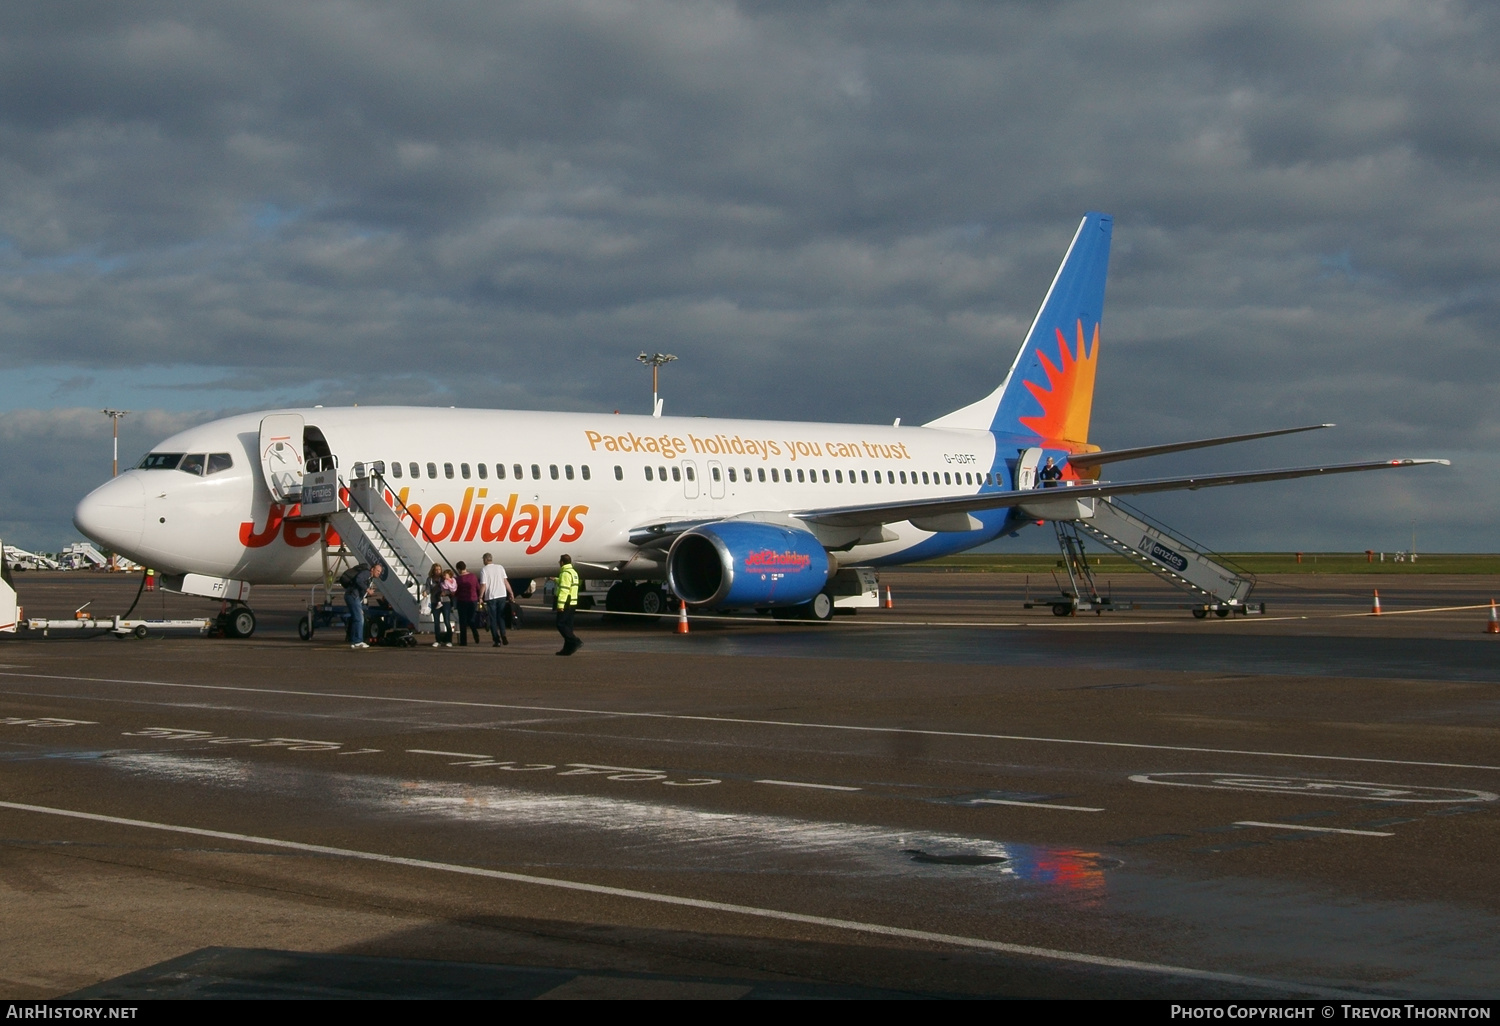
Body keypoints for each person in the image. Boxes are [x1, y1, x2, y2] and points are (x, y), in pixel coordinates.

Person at [344, 562, 384, 649]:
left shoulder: (370, 579)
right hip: (352, 596)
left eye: (380, 572)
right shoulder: (367, 573)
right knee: (359, 619)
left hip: (354, 597)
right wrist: (367, 589)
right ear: (372, 569)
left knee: (356, 618)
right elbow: (358, 579)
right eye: (377, 571)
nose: (378, 573)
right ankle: (358, 641)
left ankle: (354, 641)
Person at [479, 553, 515, 647]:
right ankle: (503, 634)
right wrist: (511, 592)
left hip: (491, 596)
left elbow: (483, 585)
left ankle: (496, 640)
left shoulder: (484, 570)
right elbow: (505, 581)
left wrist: (480, 597)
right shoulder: (500, 567)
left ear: (485, 560)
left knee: (492, 619)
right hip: (502, 595)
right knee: (501, 617)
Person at [554, 553, 581, 656]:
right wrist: (556, 580)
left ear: (562, 562)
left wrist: (560, 605)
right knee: (568, 626)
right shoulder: (573, 572)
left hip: (566, 602)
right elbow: (568, 584)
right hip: (573, 602)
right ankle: (567, 649)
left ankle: (575, 641)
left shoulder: (565, 573)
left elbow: (564, 590)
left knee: (560, 624)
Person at [454, 560, 482, 646]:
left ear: (458, 569)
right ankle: (475, 632)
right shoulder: (473, 576)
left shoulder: (458, 579)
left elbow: (456, 591)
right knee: (471, 619)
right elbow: (478, 587)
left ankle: (463, 641)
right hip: (473, 600)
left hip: (462, 601)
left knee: (463, 621)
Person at [426, 563, 450, 647]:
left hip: (445, 601)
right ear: (433, 570)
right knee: (436, 622)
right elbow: (428, 589)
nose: (438, 571)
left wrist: (445, 592)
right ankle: (438, 640)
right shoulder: (430, 579)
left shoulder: (444, 579)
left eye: (439, 569)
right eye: (436, 569)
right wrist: (425, 592)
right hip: (435, 602)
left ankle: (449, 640)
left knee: (447, 621)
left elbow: (450, 588)